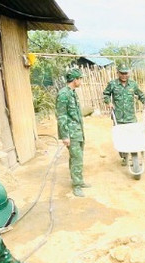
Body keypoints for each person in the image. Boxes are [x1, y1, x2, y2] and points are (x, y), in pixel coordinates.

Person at [103, 65, 145, 165]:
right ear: (118, 73)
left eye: (126, 73)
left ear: (129, 73)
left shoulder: (133, 84)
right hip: (118, 117)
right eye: (122, 73)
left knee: (133, 138)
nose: (124, 75)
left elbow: (141, 95)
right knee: (120, 139)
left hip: (131, 117)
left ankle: (134, 158)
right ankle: (124, 157)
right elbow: (106, 94)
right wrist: (108, 102)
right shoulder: (112, 84)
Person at [56, 68, 89, 197]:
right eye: (80, 78)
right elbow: (61, 116)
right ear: (75, 80)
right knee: (77, 159)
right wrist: (65, 136)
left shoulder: (72, 93)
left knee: (77, 158)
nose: (81, 81)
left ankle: (79, 181)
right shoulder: (64, 94)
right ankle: (76, 186)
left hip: (78, 131)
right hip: (71, 133)